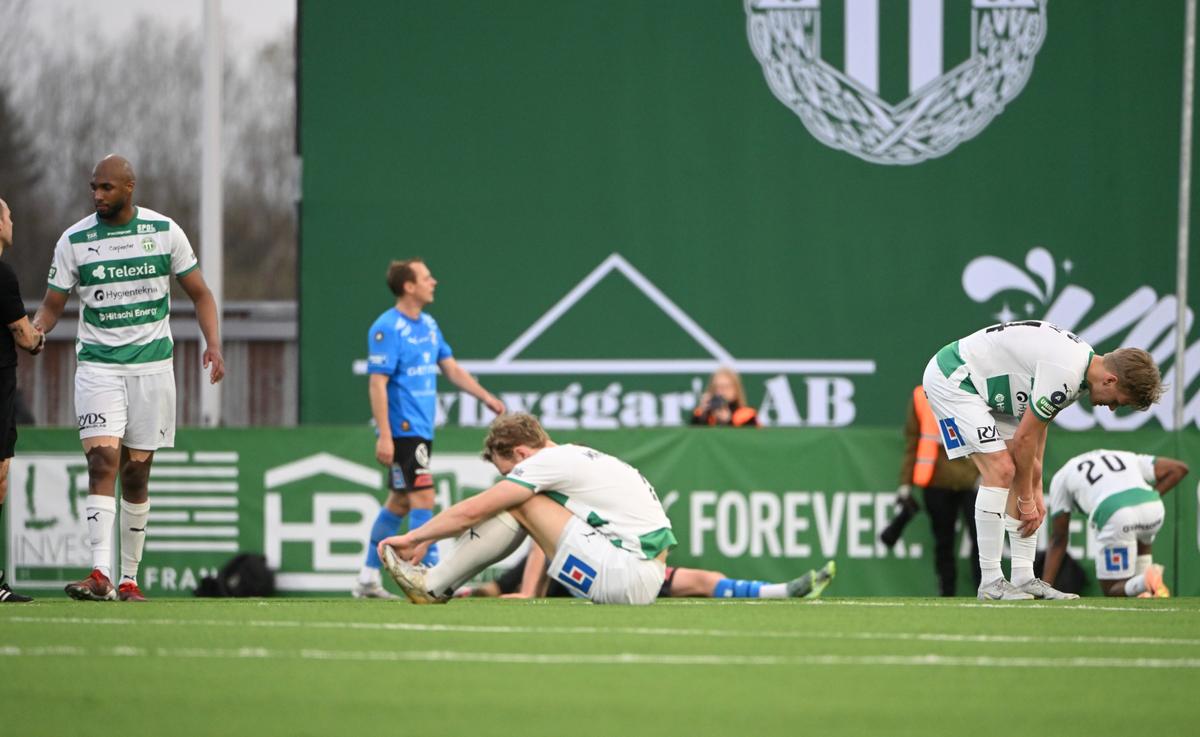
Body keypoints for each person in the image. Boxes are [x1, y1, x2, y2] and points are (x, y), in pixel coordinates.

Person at [32, 155, 225, 602]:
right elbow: (52, 305)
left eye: (106, 187)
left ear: (129, 187)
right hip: (98, 367)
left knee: (136, 473)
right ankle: (100, 574)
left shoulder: (164, 231)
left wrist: (213, 344)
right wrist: (36, 330)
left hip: (152, 369)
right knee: (102, 462)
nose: (97, 195)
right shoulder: (75, 240)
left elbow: (201, 294)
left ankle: (129, 579)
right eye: (93, 187)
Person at [922, 320, 1163, 600]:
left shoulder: (1081, 372)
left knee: (1023, 472)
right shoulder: (1068, 373)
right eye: (1117, 401)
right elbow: (1024, 440)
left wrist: (1035, 487)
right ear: (1110, 380)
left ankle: (1023, 577)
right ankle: (990, 581)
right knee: (1001, 469)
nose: (1111, 408)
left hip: (983, 386)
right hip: (954, 379)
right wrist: (1027, 499)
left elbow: (1038, 429)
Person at [378, 413, 676, 605]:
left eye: (509, 473)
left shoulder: (544, 462)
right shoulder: (572, 456)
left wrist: (415, 537)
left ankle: (432, 585)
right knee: (522, 501)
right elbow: (546, 537)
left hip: (627, 574)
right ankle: (438, 585)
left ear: (521, 453)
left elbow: (473, 512)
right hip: (641, 574)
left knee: (516, 501)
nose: (510, 479)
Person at [354, 258, 505, 598]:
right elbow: (377, 383)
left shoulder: (429, 325)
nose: (433, 282)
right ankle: (433, 575)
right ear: (409, 286)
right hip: (403, 429)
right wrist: (386, 435)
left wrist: (485, 397)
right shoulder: (387, 327)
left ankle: (367, 577)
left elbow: (451, 369)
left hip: (421, 429)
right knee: (424, 497)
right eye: (426, 277)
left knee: (400, 503)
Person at [1043, 449, 1187, 597]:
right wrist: (1150, 497)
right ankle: (1147, 590)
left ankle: (1145, 581)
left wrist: (1045, 587)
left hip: (1116, 513)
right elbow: (1179, 469)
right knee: (1141, 537)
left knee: (1112, 588)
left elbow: (1059, 537)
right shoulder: (1126, 456)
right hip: (1153, 506)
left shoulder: (1061, 477)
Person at [466, 544, 836, 600]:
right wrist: (469, 592)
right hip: (593, 586)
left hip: (622, 574)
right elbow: (497, 587)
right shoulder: (549, 535)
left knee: (706, 579)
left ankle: (783, 590)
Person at [890, 385, 981, 596]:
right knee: (944, 542)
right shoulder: (921, 397)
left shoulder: (975, 388)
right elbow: (913, 441)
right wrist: (905, 484)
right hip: (936, 480)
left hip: (972, 481)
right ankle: (947, 594)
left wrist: (987, 473)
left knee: (981, 539)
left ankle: (985, 588)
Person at [0, 197, 45, 603]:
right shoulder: (3, 274)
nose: (12, 221)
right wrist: (38, 337)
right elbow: (25, 336)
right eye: (8, 216)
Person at [691, 367, 759, 427]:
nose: (721, 392)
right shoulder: (703, 414)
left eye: (726, 387)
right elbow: (694, 435)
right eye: (717, 387)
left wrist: (728, 421)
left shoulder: (746, 416)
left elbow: (749, 436)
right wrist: (703, 416)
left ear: (736, 389)